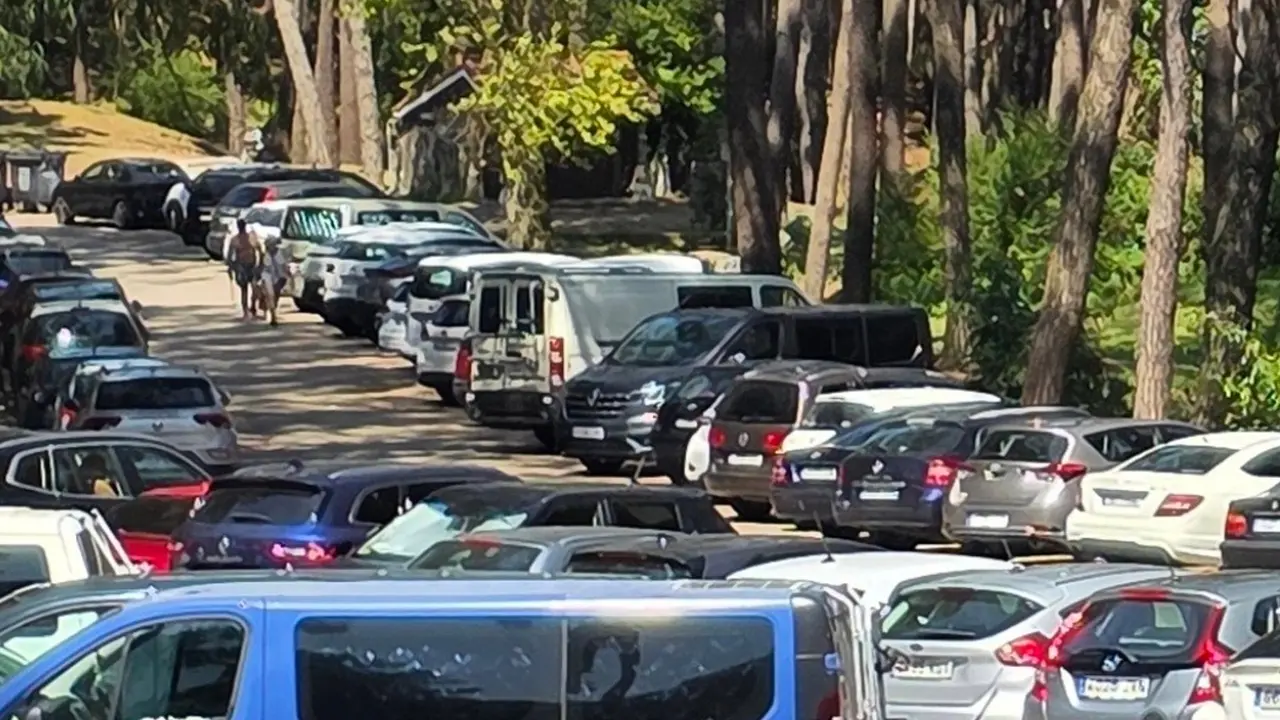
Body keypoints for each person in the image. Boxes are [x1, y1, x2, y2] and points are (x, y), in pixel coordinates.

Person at [225, 219, 262, 320]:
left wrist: (260, 264)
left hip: (252, 265)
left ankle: (253, 306)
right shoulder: (235, 240)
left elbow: (259, 250)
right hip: (241, 266)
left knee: (254, 287)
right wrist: (230, 267)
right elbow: (230, 255)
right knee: (244, 289)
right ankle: (245, 311)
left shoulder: (251, 237)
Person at [257, 236, 288, 327]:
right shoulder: (264, 255)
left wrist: (287, 275)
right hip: (267, 276)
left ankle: (273, 309)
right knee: (270, 295)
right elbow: (260, 266)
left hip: (279, 277)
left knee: (276, 295)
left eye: (272, 245)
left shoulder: (281, 253)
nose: (270, 247)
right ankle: (273, 316)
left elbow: (285, 266)